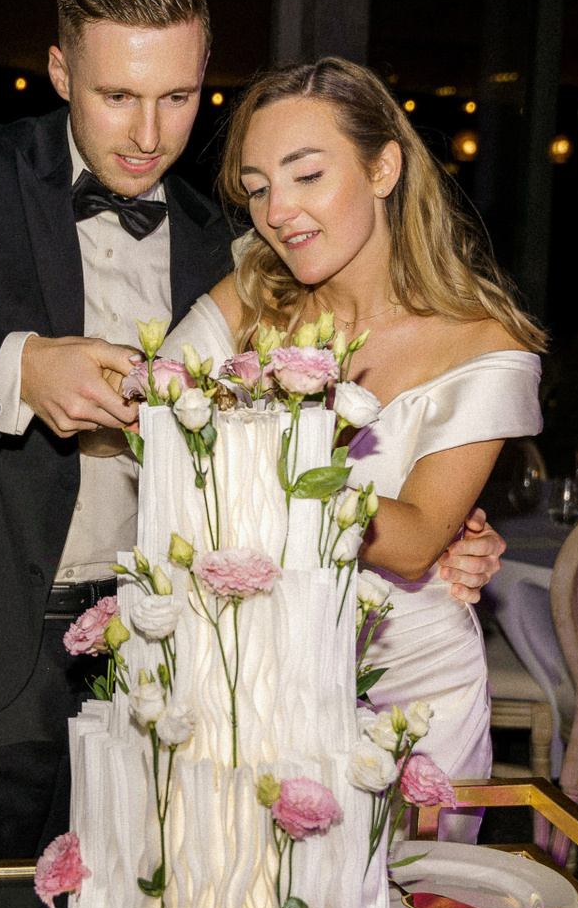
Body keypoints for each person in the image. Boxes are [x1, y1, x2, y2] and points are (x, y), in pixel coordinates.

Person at [0, 0, 507, 859]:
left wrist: (438, 523)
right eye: (117, 96)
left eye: (177, 97)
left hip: (164, 659)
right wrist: (20, 368)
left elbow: (306, 414)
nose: (148, 133)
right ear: (61, 71)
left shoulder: (238, 244)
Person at [163, 56, 545, 801]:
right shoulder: (251, 295)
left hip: (413, 689)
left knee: (410, 880)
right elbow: (149, 415)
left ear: (383, 168)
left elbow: (413, 540)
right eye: (258, 188)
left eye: (307, 175)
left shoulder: (484, 344)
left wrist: (241, 456)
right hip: (252, 671)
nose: (277, 211)